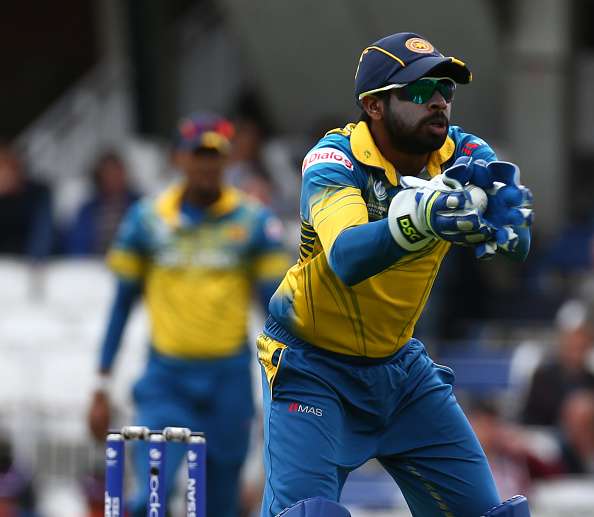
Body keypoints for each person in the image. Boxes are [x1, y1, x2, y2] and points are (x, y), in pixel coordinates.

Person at [256, 33, 533, 517]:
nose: (439, 102)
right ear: (374, 105)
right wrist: (417, 219)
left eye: (446, 89)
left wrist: (505, 225)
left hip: (400, 371)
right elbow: (347, 257)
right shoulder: (333, 160)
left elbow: (516, 241)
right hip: (311, 367)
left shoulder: (464, 153)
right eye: (421, 91)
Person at [87, 113, 290, 517]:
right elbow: (121, 305)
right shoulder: (147, 220)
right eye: (198, 154)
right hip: (166, 380)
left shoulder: (253, 221)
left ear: (228, 159)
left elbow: (278, 310)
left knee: (220, 505)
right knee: (149, 499)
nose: (206, 165)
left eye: (215, 155)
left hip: (228, 382)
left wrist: (290, 381)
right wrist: (101, 385)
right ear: (178, 158)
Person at [521, 299, 594, 426]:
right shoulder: (542, 378)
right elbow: (530, 420)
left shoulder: (590, 380)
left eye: (581, 341)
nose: (576, 345)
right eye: (572, 341)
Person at [64, 150, 139, 256]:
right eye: (107, 173)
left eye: (116, 172)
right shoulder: (87, 210)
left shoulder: (139, 206)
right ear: (99, 177)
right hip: (94, 264)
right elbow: (78, 245)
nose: (112, 178)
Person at [0, 142, 53, 259]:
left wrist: (34, 260)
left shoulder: (38, 194)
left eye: (4, 166)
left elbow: (41, 237)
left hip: (28, 263)